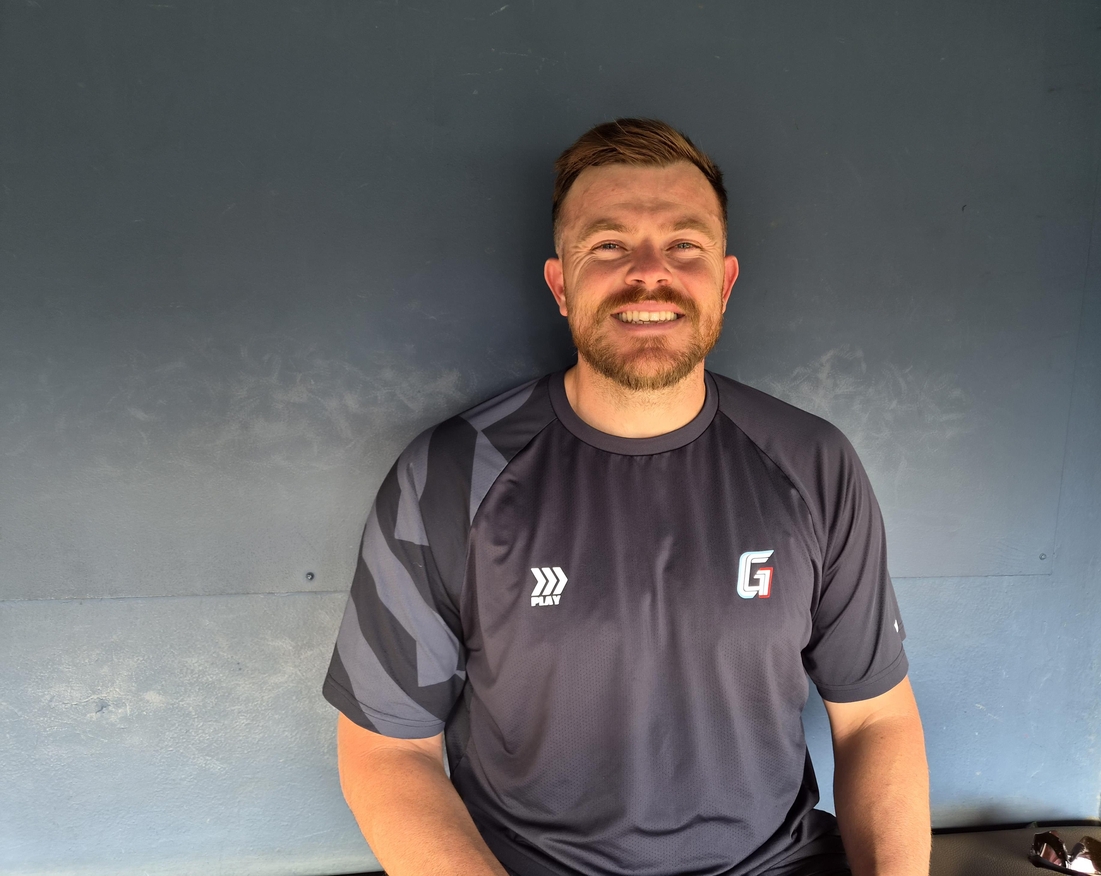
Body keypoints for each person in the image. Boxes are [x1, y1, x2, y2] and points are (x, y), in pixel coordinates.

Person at [322, 118, 930, 876]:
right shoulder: (451, 474)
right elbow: (387, 753)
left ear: (725, 281)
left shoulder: (813, 463)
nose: (650, 273)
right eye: (608, 246)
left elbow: (875, 719)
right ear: (561, 284)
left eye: (685, 245)